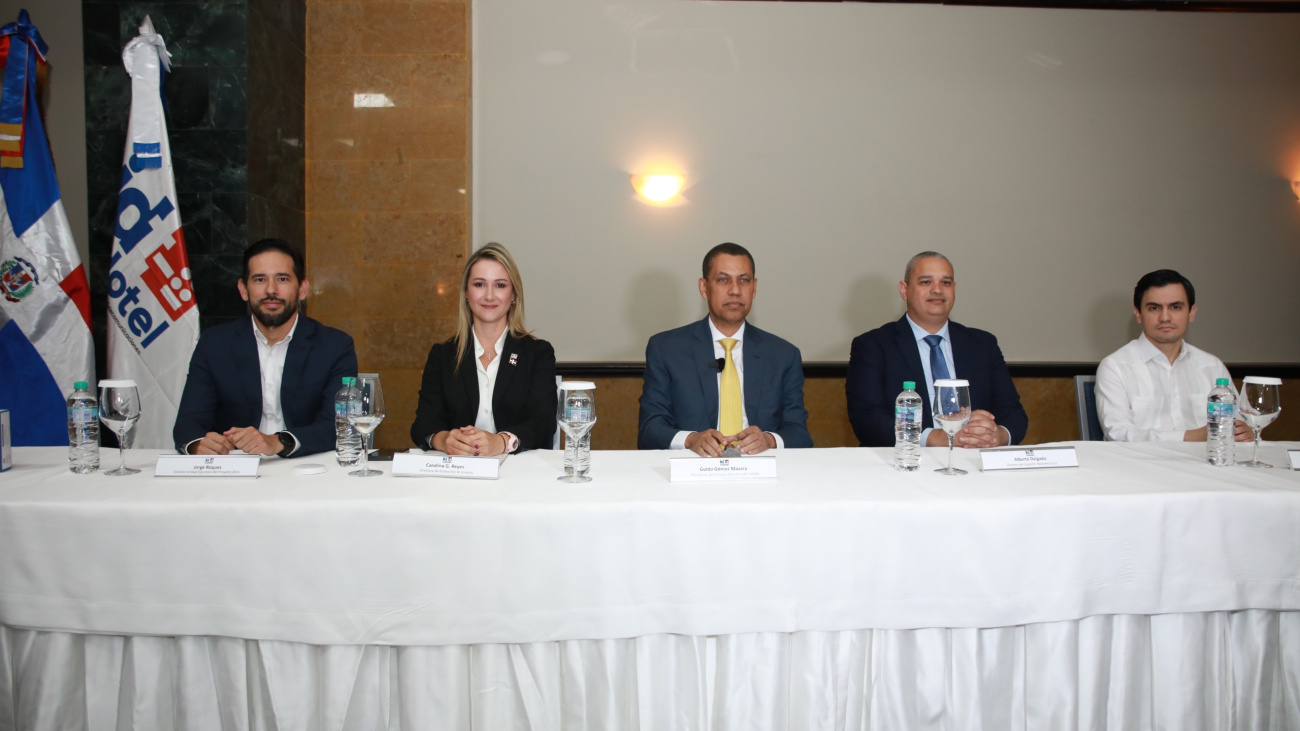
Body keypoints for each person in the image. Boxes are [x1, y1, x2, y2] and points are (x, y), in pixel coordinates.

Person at [173, 239, 358, 456]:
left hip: (306, 466)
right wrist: (198, 444)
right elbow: (188, 424)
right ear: (243, 289)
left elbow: (340, 425)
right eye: (260, 279)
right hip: (236, 467)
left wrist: (278, 442)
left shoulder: (335, 346)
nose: (271, 290)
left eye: (282, 279)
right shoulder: (214, 344)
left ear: (302, 289)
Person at [637, 242, 812, 455]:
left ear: (754, 288)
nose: (735, 290)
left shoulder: (783, 355)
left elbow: (799, 433)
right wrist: (691, 439)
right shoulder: (667, 349)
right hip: (695, 464)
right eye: (723, 280)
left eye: (744, 280)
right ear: (704, 288)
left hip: (760, 466)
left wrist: (769, 440)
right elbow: (650, 430)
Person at [846, 251, 1027, 448]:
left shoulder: (983, 344)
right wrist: (936, 438)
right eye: (926, 282)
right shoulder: (873, 346)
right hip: (907, 459)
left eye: (946, 283)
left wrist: (998, 436)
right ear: (904, 290)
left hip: (973, 459)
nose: (937, 290)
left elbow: (1013, 413)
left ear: (954, 289)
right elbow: (867, 419)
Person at [410, 243, 556, 455]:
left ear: (513, 294)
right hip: (458, 469)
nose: (489, 296)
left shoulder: (538, 353)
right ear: (466, 293)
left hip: (519, 469)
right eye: (479, 284)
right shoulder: (443, 355)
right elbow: (423, 425)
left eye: (500, 285)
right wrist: (445, 440)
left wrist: (501, 442)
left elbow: (543, 423)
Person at [1095, 269, 1251, 443]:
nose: (1165, 317)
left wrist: (1244, 433)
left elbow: (1237, 424)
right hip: (1144, 460)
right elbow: (1118, 434)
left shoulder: (1212, 366)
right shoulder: (1115, 366)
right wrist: (1191, 437)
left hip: (1207, 459)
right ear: (1138, 314)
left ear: (1191, 313)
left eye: (1175, 307)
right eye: (1154, 308)